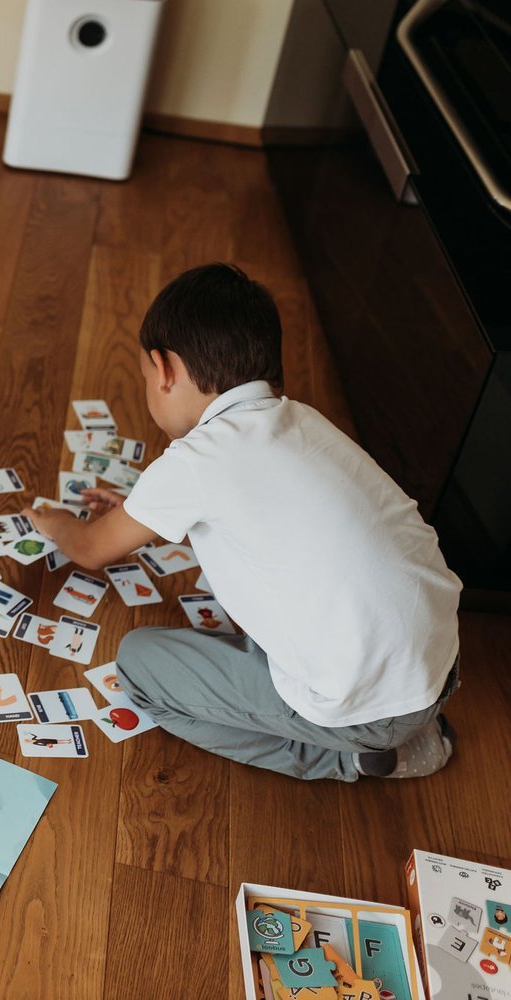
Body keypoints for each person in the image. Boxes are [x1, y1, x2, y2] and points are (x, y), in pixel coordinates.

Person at [24, 263, 461, 782]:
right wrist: (144, 506)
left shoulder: (197, 459)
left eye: (144, 378)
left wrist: (53, 523)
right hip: (441, 661)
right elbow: (259, 511)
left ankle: (355, 759)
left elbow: (92, 549)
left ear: (164, 370)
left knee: (139, 665)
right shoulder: (301, 419)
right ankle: (380, 730)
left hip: (371, 711)